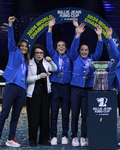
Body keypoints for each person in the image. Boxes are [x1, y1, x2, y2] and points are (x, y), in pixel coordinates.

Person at [70, 18, 103, 147]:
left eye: (86, 50)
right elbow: (73, 47)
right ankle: (74, 136)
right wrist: (78, 34)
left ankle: (83, 136)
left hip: (88, 89)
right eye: (82, 50)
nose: (84, 52)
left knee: (85, 115)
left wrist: (99, 36)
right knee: (74, 114)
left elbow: (99, 52)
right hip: (76, 89)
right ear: (79, 51)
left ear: (89, 52)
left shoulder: (92, 59)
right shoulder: (74, 57)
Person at [0, 16, 30, 148]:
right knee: (4, 113)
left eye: (25, 46)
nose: (23, 48)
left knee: (16, 115)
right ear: (18, 46)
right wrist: (10, 24)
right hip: (11, 86)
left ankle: (10, 138)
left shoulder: (27, 62)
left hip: (21, 89)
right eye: (22, 46)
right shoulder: (13, 51)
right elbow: (11, 39)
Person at [46, 17, 72, 145]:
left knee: (66, 113)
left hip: (67, 87)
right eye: (59, 46)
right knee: (54, 112)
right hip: (55, 86)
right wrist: (50, 28)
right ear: (56, 48)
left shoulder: (70, 57)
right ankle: (54, 136)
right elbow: (48, 43)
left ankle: (65, 135)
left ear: (66, 48)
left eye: (63, 46)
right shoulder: (53, 54)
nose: (61, 47)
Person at [26, 44, 57, 146]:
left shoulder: (46, 63)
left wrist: (50, 61)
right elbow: (27, 80)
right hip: (33, 93)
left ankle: (44, 139)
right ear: (34, 54)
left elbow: (55, 68)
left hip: (45, 93)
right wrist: (38, 76)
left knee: (44, 117)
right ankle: (32, 139)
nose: (39, 54)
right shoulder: (29, 63)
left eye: (41, 53)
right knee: (33, 117)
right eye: (37, 52)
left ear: (43, 54)